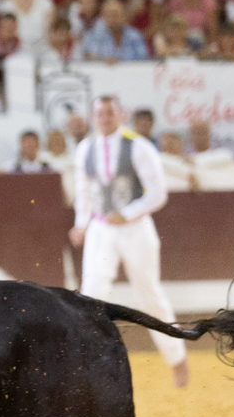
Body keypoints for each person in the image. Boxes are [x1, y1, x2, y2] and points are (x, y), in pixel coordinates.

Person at [69, 96, 188, 388]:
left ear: (120, 115)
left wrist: (128, 213)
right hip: (101, 229)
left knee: (149, 295)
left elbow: (158, 193)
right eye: (100, 113)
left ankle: (177, 357)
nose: (105, 118)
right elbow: (84, 191)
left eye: (110, 112)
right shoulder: (85, 149)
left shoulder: (138, 146)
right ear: (93, 116)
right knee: (91, 297)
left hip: (135, 228)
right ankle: (89, 369)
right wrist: (81, 223)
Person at [82, 0, 149, 62]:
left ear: (124, 16)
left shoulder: (134, 36)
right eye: (108, 15)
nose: (112, 19)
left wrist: (119, 61)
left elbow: (143, 59)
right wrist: (103, 59)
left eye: (115, 15)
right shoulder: (94, 35)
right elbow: (88, 56)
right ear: (103, 17)